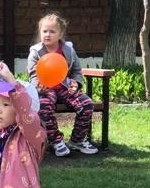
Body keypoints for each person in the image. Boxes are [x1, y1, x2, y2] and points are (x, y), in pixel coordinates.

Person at [26, 13, 98, 158]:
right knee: (43, 106)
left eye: (52, 31)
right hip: (46, 89)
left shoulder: (68, 50)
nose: (48, 34)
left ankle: (77, 140)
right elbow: (33, 74)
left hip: (65, 87)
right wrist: (39, 87)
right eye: (44, 31)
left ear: (60, 34)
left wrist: (75, 83)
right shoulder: (35, 52)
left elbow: (77, 71)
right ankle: (56, 141)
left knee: (87, 104)